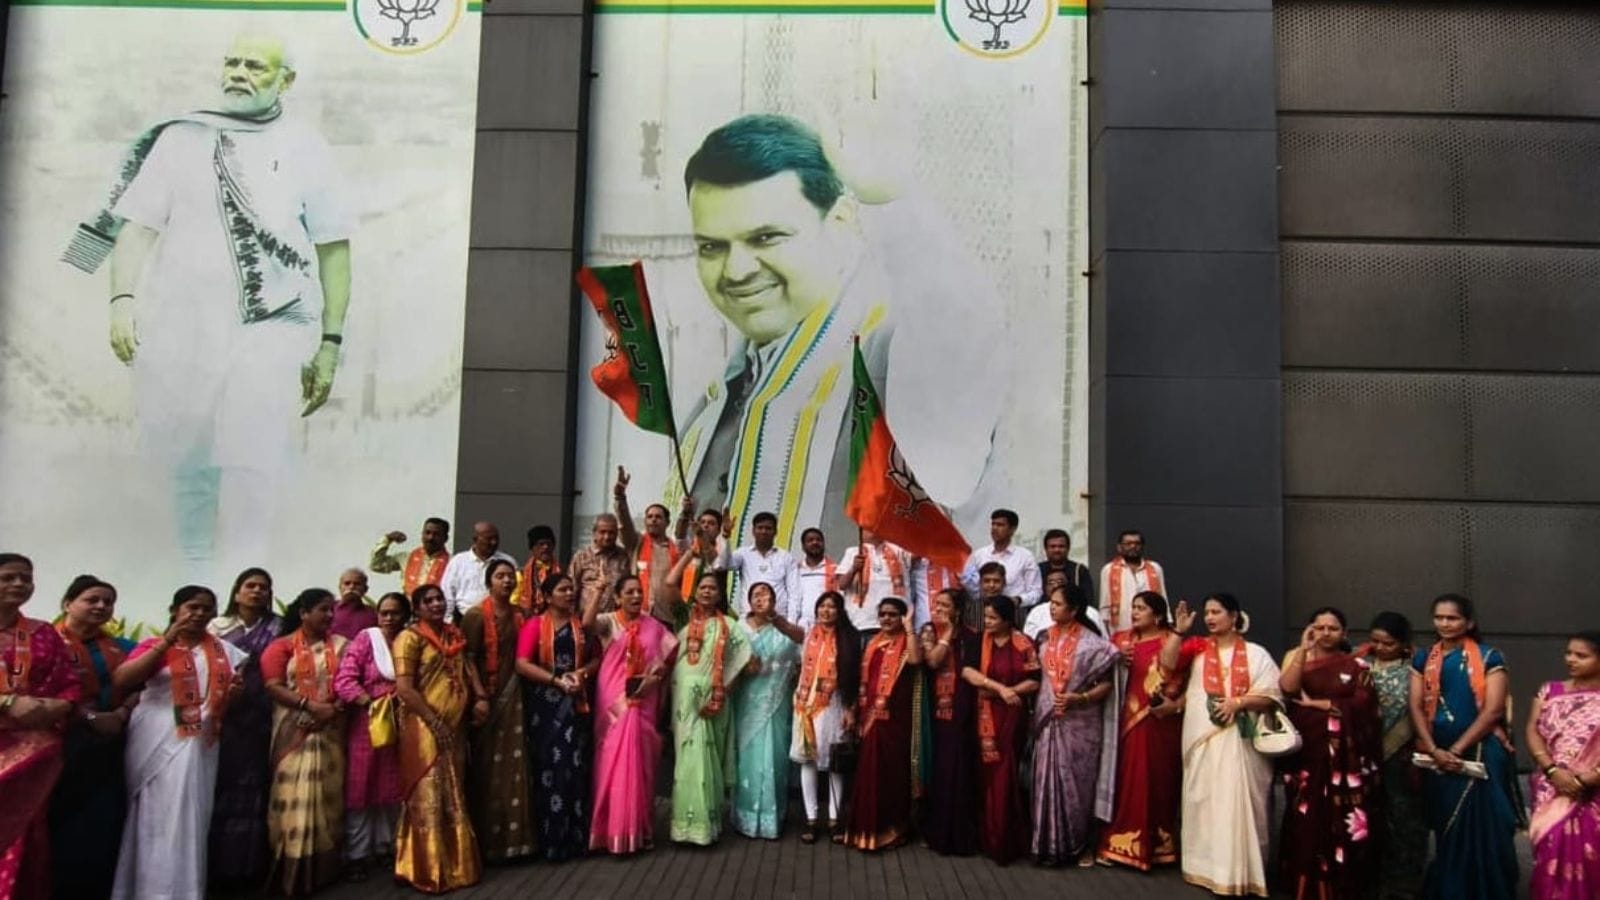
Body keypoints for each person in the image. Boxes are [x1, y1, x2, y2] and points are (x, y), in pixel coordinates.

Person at [86, 34, 355, 586]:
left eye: (255, 66)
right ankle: (194, 586)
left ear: (285, 80)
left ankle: (244, 583)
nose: (238, 73)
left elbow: (333, 250)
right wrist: (121, 301)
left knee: (252, 452)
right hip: (183, 324)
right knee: (190, 453)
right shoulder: (182, 138)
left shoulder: (306, 147)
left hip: (273, 324)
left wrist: (330, 344)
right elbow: (137, 228)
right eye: (232, 63)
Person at [670, 114, 1000, 549]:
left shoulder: (895, 353)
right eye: (712, 247)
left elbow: (953, 324)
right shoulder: (722, 391)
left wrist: (888, 201)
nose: (737, 271)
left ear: (841, 221)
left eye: (767, 238)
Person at [110, 584, 248, 900]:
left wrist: (234, 696)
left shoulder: (225, 652)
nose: (199, 614)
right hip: (155, 732)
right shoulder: (154, 645)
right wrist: (167, 643)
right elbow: (123, 680)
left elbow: (228, 703)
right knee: (150, 812)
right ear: (175, 610)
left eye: (206, 608)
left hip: (200, 740)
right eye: (192, 607)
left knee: (190, 812)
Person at [1162, 594, 1282, 897]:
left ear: (1234, 616)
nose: (1210, 618)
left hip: (1241, 742)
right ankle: (1206, 870)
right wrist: (1178, 631)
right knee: (1204, 802)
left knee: (1241, 806)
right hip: (1203, 741)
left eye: (1216, 612)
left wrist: (1238, 703)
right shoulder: (1199, 651)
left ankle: (1244, 873)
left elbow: (1272, 696)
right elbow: (1168, 664)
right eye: (1207, 613)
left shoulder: (1256, 654)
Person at [1407, 593, 1518, 900]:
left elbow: (1493, 710)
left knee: (1490, 828)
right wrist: (1434, 751)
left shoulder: (1489, 657)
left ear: (1469, 622)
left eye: (1452, 618)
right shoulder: (1423, 658)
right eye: (1439, 617)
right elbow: (1415, 706)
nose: (1445, 623)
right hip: (1437, 756)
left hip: (1481, 751)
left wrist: (1455, 750)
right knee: (1449, 830)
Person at [1278, 607, 1383, 899]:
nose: (1325, 633)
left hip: (1343, 759)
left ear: (1344, 633)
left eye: (1333, 628)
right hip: (1307, 753)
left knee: (1338, 819)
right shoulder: (1299, 658)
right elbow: (1288, 689)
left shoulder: (1357, 666)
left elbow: (1364, 705)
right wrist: (1303, 649)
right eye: (1319, 627)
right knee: (1305, 816)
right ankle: (1302, 885)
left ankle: (1340, 886)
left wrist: (1321, 705)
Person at [49, 575, 137, 899]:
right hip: (59, 741)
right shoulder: (45, 643)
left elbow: (142, 688)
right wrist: (88, 717)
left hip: (111, 741)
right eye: (92, 599)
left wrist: (120, 714)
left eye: (108, 602)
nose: (101, 606)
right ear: (67, 604)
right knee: (58, 816)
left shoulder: (124, 648)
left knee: (103, 818)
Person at [391, 584, 481, 894]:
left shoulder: (453, 634)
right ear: (416, 608)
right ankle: (426, 868)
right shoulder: (409, 638)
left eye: (439, 599)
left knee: (453, 790)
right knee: (428, 793)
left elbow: (467, 667)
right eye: (427, 601)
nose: (436, 604)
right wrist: (433, 722)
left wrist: (480, 697)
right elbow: (405, 689)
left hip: (454, 726)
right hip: (423, 726)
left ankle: (457, 866)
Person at [260, 588, 348, 895]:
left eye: (331, 609)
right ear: (303, 613)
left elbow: (349, 680)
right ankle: (289, 872)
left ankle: (324, 872)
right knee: (290, 798)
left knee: (327, 797)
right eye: (323, 609)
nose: (329, 615)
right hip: (292, 731)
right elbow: (273, 685)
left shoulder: (342, 645)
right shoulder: (280, 646)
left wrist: (331, 709)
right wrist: (309, 706)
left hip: (331, 730)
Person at [0, 554, 79, 898]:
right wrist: (7, 703)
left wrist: (61, 706)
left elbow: (69, 684)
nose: (19, 584)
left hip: (33, 756)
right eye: (8, 577)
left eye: (26, 578)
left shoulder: (43, 632)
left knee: (25, 835)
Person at [587, 574, 678, 854]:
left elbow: (668, 659)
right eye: (629, 592)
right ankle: (607, 831)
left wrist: (654, 679)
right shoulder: (609, 622)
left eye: (639, 591)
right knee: (610, 762)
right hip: (613, 700)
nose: (636, 596)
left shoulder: (655, 627)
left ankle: (641, 830)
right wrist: (597, 592)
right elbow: (587, 625)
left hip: (644, 699)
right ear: (617, 597)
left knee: (641, 765)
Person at [1097, 591, 1185, 871]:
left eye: (1141, 608)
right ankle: (1120, 843)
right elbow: (1099, 670)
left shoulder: (1171, 640)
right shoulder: (1121, 640)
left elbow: (1179, 678)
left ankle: (1159, 846)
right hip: (1127, 723)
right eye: (1133, 607)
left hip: (1160, 722)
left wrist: (1173, 703)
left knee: (1160, 781)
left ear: (1157, 615)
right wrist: (1115, 658)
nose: (1134, 612)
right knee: (1128, 781)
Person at [1030, 585, 1117, 867]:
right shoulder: (1043, 638)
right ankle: (1046, 846)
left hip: (1080, 724)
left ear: (1074, 609)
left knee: (1079, 786)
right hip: (1048, 722)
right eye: (1051, 602)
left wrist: (1080, 698)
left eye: (1057, 603)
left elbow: (1106, 685)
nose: (1052, 607)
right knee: (1044, 782)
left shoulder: (1095, 645)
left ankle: (1079, 845)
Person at [515, 572, 597, 862]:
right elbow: (522, 663)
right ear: (547, 597)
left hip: (576, 702)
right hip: (547, 705)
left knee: (575, 766)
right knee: (549, 766)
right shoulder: (535, 625)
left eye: (571, 589)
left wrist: (581, 673)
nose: (569, 594)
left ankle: (575, 839)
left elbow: (595, 657)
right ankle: (551, 840)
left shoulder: (580, 626)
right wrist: (555, 680)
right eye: (562, 590)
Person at [207, 566, 280, 888]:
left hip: (263, 715)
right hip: (224, 715)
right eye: (250, 586)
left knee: (256, 787)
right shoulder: (216, 627)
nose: (257, 591)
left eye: (264, 587)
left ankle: (250, 867)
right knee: (221, 785)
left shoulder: (279, 627)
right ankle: (217, 866)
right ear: (237, 592)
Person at [669, 572, 753, 845]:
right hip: (684, 700)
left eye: (712, 588)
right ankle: (686, 825)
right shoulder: (684, 620)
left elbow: (744, 658)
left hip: (714, 699)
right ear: (695, 592)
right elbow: (670, 655)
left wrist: (724, 687)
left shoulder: (729, 625)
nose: (706, 591)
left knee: (708, 758)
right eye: (702, 587)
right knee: (689, 757)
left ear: (719, 595)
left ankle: (707, 824)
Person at [460, 558, 533, 862]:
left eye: (510, 576)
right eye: (500, 576)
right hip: (487, 697)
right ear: (489, 581)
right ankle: (486, 842)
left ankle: (516, 842)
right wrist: (479, 695)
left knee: (517, 764)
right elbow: (466, 658)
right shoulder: (475, 616)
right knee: (487, 766)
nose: (506, 581)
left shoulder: (522, 615)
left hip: (517, 696)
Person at [332, 592, 408, 882]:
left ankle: (386, 847)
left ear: (405, 616)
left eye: (395, 613)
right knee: (361, 788)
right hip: (368, 722)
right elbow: (344, 680)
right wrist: (371, 703)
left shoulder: (408, 640)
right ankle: (358, 854)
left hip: (401, 721)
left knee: (392, 788)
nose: (388, 618)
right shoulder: (366, 639)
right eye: (384, 613)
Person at [960, 595, 1039, 864]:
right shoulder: (979, 640)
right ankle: (987, 836)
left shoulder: (1023, 643)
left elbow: (1034, 680)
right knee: (986, 773)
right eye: (986, 617)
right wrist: (999, 689)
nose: (988, 622)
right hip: (985, 712)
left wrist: (1011, 692)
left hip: (1013, 715)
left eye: (993, 618)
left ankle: (1007, 838)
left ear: (1007, 620)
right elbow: (968, 672)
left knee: (1007, 772)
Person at [844, 596, 923, 851]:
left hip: (897, 720)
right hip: (871, 719)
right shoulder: (873, 643)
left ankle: (893, 830)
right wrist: (853, 711)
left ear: (902, 618)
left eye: (892, 614)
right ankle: (865, 831)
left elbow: (915, 660)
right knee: (869, 774)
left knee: (893, 775)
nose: (887, 619)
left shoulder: (907, 641)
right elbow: (863, 682)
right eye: (883, 614)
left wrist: (909, 628)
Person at [1527, 631, 1600, 900]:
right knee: (1550, 850)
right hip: (1552, 787)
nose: (1571, 659)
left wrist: (1585, 780)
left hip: (1594, 791)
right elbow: (1533, 730)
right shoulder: (1549, 691)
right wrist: (1552, 771)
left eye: (1581, 655)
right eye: (1568, 653)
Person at [1358, 611, 1425, 900]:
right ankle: (1369, 879)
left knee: (1404, 819)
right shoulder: (1359, 665)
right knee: (1367, 817)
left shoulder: (1415, 670)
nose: (1381, 648)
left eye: (1388, 643)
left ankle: (1403, 884)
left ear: (1403, 643)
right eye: (1375, 641)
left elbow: (1420, 709)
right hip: (1362, 754)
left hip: (1400, 756)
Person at [732, 582, 804, 839]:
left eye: (766, 594)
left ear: (774, 601)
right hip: (746, 704)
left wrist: (776, 619)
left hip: (776, 703)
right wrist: (743, 666)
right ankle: (746, 817)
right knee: (747, 758)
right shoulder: (739, 628)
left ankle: (772, 818)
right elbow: (727, 662)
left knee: (774, 756)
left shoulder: (783, 628)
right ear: (748, 601)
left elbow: (801, 642)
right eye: (756, 594)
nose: (760, 598)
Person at [791, 590, 861, 845]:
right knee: (807, 760)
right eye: (822, 606)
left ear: (840, 611)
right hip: (805, 707)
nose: (826, 611)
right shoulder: (808, 635)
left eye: (832, 606)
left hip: (834, 705)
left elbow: (857, 679)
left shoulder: (850, 639)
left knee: (835, 762)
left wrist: (851, 710)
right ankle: (811, 819)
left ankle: (834, 819)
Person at [918, 587, 980, 855]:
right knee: (942, 766)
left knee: (963, 766)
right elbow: (933, 661)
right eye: (937, 603)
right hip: (937, 707)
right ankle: (939, 832)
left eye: (945, 604)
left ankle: (963, 834)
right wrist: (947, 632)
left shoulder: (971, 635)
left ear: (958, 609)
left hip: (965, 704)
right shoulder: (930, 631)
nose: (939, 608)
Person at [615, 467, 689, 611]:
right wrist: (620, 497)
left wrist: (685, 513)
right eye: (649, 517)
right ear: (645, 521)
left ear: (667, 522)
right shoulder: (636, 542)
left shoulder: (674, 548)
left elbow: (681, 534)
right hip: (639, 613)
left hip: (668, 615)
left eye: (658, 517)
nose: (653, 520)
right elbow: (625, 523)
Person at [837, 529, 918, 639]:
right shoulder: (853, 552)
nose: (873, 530)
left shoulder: (898, 551)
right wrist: (854, 568)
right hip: (862, 623)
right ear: (861, 531)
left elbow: (921, 552)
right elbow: (841, 585)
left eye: (877, 527)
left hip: (896, 623)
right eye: (868, 527)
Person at [961, 509, 1043, 617]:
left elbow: (1036, 592)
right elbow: (968, 583)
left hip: (1015, 614)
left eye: (1000, 525)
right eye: (993, 524)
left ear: (1012, 529)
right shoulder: (978, 555)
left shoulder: (1025, 556)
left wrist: (1017, 600)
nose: (995, 528)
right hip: (982, 614)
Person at [727, 512, 802, 620]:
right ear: (753, 531)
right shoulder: (743, 554)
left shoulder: (786, 557)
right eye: (760, 528)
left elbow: (794, 592)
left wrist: (791, 622)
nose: (764, 531)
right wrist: (725, 537)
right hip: (749, 620)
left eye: (768, 528)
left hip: (778, 620)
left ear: (775, 532)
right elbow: (723, 565)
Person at [440, 522, 516, 620]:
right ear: (475, 539)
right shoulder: (458, 561)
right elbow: (447, 593)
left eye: (496, 538)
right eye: (489, 539)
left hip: (500, 619)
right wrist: (447, 620)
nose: (494, 542)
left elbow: (516, 592)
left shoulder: (508, 561)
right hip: (464, 619)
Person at [1098, 530, 1165, 634]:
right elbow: (1105, 606)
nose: (1133, 546)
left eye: (1137, 543)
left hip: (1151, 630)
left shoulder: (1155, 568)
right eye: (1128, 543)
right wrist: (1105, 634)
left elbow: (1163, 600)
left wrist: (1167, 624)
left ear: (1142, 547)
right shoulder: (1109, 570)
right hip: (1120, 629)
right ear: (1119, 547)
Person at [569, 513, 631, 617]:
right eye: (602, 532)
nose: (607, 537)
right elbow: (572, 589)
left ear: (617, 534)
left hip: (615, 619)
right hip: (586, 618)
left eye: (611, 532)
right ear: (594, 533)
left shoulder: (624, 556)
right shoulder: (581, 556)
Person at [370, 518, 451, 597]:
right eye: (427, 533)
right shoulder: (406, 557)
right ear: (422, 534)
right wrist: (387, 539)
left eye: (436, 534)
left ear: (445, 538)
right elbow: (376, 565)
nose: (430, 538)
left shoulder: (451, 563)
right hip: (407, 604)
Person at [513, 525, 561, 614]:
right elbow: (514, 603)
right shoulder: (521, 573)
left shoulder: (562, 571)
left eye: (549, 544)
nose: (546, 547)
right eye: (541, 544)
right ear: (532, 548)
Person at [795, 528, 836, 627]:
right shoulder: (795, 570)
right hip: (800, 626)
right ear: (803, 546)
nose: (815, 542)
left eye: (818, 540)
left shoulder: (835, 569)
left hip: (826, 624)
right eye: (810, 540)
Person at [1039, 528, 1093, 601]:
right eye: (1053, 546)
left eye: (1061, 546)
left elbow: (1087, 599)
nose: (1057, 550)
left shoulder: (1079, 570)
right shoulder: (1037, 570)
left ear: (1068, 548)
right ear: (1046, 549)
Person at [331, 568, 377, 640]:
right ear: (340, 587)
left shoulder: (373, 614)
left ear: (365, 589)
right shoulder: (328, 609)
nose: (351, 587)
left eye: (357, 584)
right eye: (347, 583)